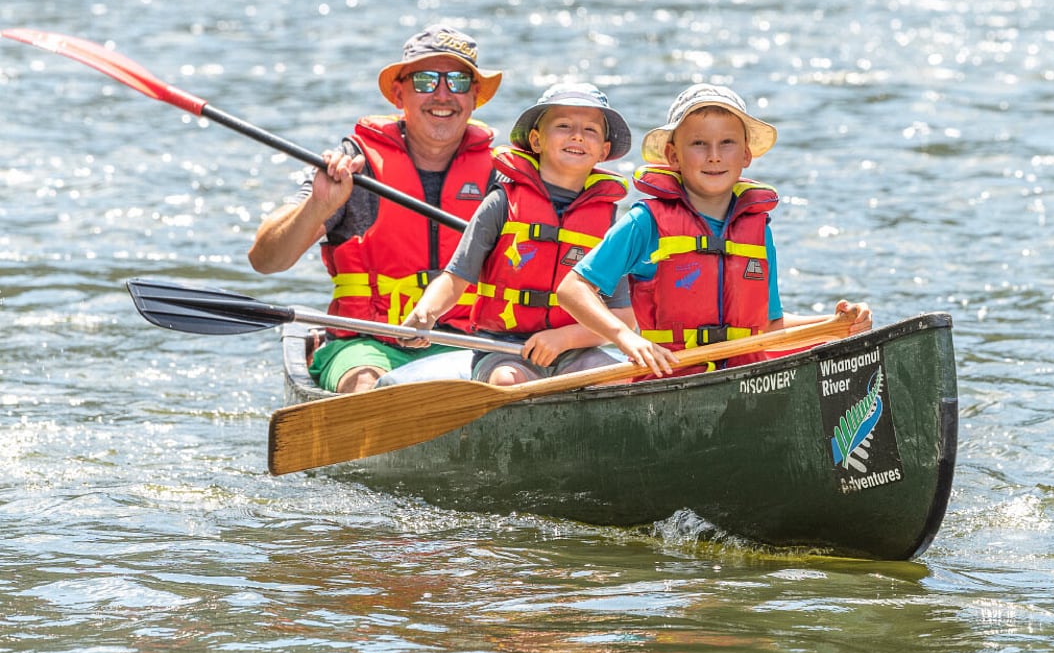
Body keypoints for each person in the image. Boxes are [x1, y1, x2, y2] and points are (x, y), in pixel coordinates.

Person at [247, 24, 503, 393]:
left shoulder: (502, 176)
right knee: (367, 383)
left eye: (458, 81)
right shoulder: (354, 166)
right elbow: (266, 261)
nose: (443, 94)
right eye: (426, 81)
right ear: (399, 94)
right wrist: (318, 206)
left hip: (470, 344)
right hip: (367, 343)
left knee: (506, 379)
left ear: (474, 95)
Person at [557, 83, 872, 379]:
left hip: (743, 377)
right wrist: (625, 337)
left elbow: (768, 327)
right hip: (669, 379)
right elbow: (572, 289)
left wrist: (836, 325)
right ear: (674, 156)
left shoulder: (757, 228)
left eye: (727, 143)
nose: (714, 155)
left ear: (746, 155)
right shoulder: (646, 222)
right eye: (698, 144)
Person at [398, 83, 637, 386]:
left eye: (590, 130)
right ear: (536, 140)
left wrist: (564, 338)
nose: (577, 136)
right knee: (507, 381)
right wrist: (426, 312)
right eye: (564, 126)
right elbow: (455, 278)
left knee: (617, 380)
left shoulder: (609, 223)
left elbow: (624, 317)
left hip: (575, 349)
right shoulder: (501, 204)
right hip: (503, 349)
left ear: (603, 150)